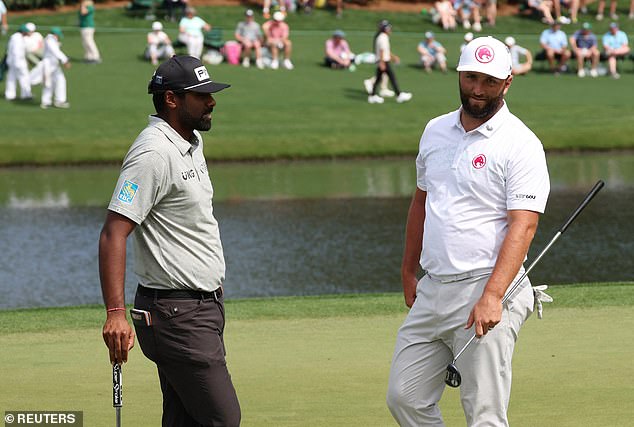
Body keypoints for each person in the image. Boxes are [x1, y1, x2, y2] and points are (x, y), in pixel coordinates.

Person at [386, 35, 550, 427]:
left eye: (489, 81)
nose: (478, 89)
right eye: (471, 77)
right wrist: (409, 270)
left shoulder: (521, 143)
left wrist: (493, 295)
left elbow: (523, 225)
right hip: (433, 287)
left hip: (487, 288)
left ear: (507, 83)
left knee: (484, 415)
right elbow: (421, 202)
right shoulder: (435, 131)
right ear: (459, 74)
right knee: (404, 397)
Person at [100, 55, 241, 426]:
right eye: (201, 95)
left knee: (184, 419)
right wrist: (115, 314)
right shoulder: (152, 153)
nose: (212, 101)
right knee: (222, 419)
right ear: (171, 99)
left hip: (200, 308)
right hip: (176, 314)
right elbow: (115, 231)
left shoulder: (189, 142)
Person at [368, 20, 412, 104]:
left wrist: (393, 57)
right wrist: (382, 63)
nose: (390, 30)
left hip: (384, 60)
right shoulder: (383, 37)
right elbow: (381, 51)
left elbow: (386, 51)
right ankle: (399, 95)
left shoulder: (382, 37)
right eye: (388, 28)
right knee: (391, 78)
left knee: (379, 79)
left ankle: (372, 96)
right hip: (384, 61)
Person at [40, 27, 71, 109]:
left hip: (54, 64)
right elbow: (55, 51)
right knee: (48, 83)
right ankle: (46, 102)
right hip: (48, 65)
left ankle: (60, 101)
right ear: (55, 34)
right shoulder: (50, 40)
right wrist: (65, 60)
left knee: (61, 80)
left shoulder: (52, 40)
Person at [4, 24, 33, 101]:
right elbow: (16, 51)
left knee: (11, 78)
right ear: (23, 31)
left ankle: (10, 95)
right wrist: (18, 63)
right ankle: (26, 94)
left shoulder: (17, 37)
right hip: (17, 62)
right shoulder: (17, 38)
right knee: (24, 77)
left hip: (13, 61)